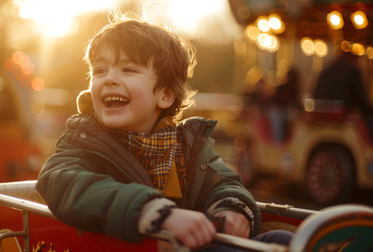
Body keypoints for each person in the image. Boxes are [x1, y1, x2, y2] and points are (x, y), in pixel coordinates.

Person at [36, 17, 293, 251]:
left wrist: (232, 208)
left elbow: (224, 182)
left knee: (283, 241)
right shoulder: (84, 142)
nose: (110, 79)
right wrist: (152, 211)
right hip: (127, 245)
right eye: (100, 71)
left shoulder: (187, 147)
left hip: (183, 246)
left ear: (165, 95)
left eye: (128, 70)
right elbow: (60, 181)